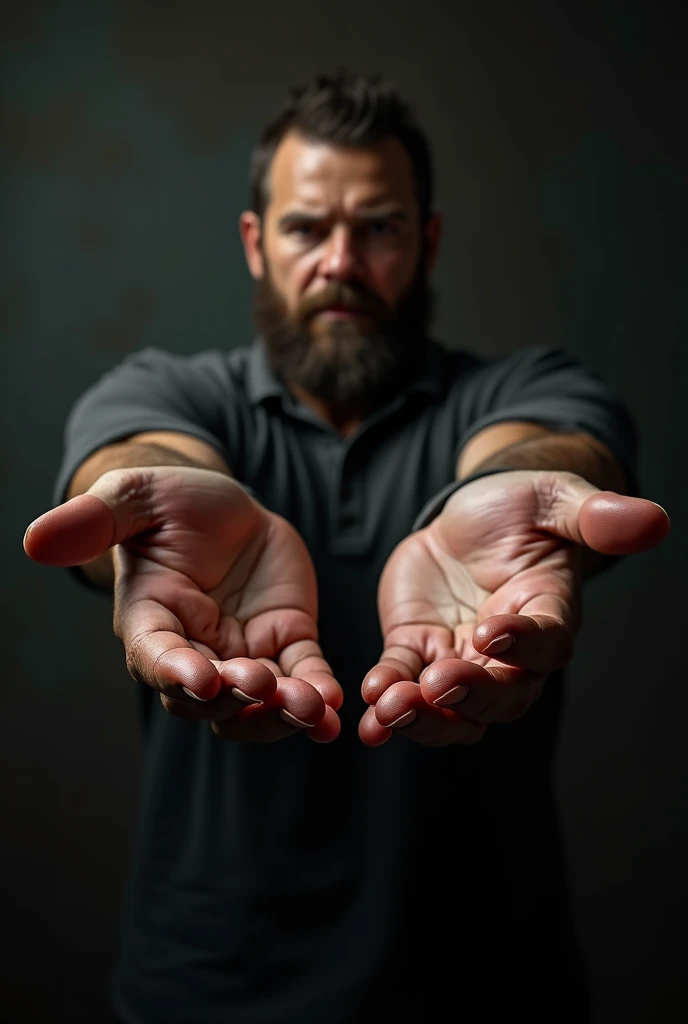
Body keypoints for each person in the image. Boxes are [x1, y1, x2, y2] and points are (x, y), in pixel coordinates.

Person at [24, 70, 669, 1024]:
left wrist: (509, 491)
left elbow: (545, 443)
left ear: (428, 241)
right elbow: (137, 461)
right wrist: (148, 509)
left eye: (379, 227)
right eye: (305, 227)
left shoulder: (529, 386)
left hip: (492, 990)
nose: (340, 260)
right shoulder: (164, 392)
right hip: (204, 993)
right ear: (255, 243)